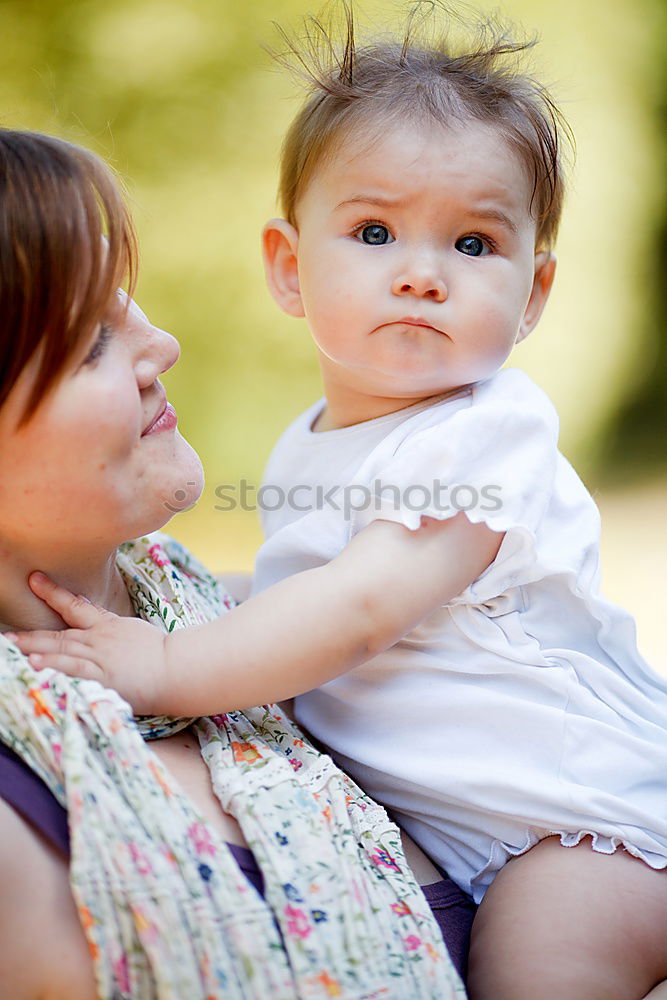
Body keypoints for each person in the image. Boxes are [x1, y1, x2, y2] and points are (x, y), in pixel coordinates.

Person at [12, 6, 667, 999]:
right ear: (287, 266)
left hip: (581, 823)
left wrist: (168, 660)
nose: (421, 272)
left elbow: (359, 604)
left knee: (535, 971)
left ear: (534, 295)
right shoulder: (313, 444)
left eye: (474, 245)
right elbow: (287, 589)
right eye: (373, 231)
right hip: (482, 822)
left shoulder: (486, 435)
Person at [0, 127, 474, 999]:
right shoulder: (19, 832)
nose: (162, 346)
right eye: (91, 339)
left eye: (129, 302)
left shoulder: (255, 631)